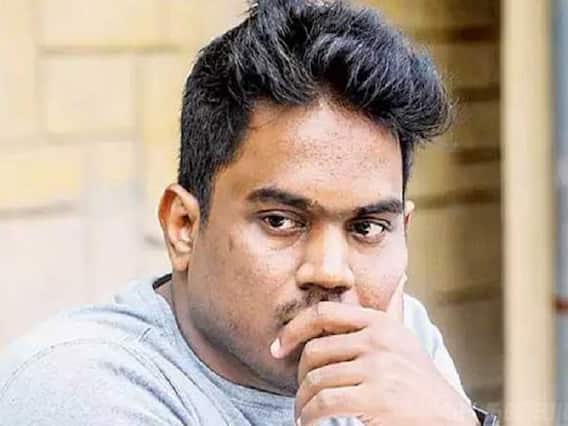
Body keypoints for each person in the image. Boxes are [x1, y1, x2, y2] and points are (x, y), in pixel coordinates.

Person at [0, 1, 498, 425]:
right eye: (281, 221)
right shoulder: (80, 386)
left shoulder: (398, 341)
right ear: (183, 226)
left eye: (367, 228)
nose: (331, 272)